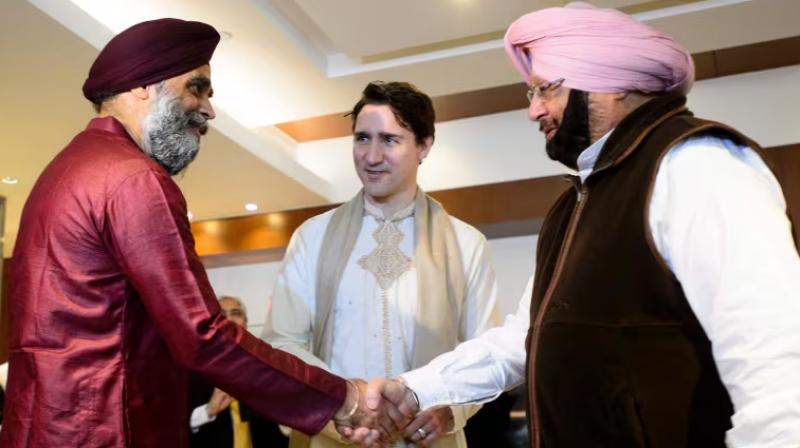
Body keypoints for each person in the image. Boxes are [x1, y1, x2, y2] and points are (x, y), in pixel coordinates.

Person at [362, 2, 800, 448]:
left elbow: (774, 358)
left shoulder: (695, 162)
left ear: (611, 83)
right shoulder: (573, 206)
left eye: (545, 89)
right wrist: (415, 389)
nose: (534, 111)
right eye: (529, 94)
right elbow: (521, 340)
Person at [0, 18, 388, 448]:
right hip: (111, 429)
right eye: (196, 88)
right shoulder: (134, 179)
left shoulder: (63, 170)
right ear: (144, 85)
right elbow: (203, 335)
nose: (208, 109)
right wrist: (340, 397)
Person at [263, 81, 500, 448]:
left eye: (389, 140)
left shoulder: (466, 243)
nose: (371, 156)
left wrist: (449, 409)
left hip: (428, 436)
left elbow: (486, 351)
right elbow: (282, 341)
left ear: (424, 146)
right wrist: (345, 402)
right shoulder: (312, 237)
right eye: (362, 139)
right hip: (335, 434)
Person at [189, 296, 289, 448]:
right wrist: (209, 410)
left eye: (236, 313)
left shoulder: (264, 368)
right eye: (221, 314)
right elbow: (172, 427)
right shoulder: (193, 369)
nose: (228, 319)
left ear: (246, 323)